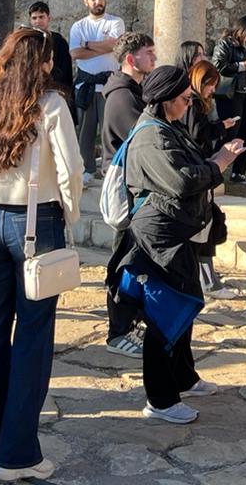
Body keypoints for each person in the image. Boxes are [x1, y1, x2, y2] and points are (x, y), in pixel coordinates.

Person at [0, 28, 83, 482]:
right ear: (41, 63)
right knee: (32, 339)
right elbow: (71, 170)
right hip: (36, 222)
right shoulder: (51, 105)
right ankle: (17, 454)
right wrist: (69, 215)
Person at [122, 65, 244, 425]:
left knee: (183, 309)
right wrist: (221, 162)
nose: (190, 103)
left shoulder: (167, 129)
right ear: (166, 100)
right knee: (165, 314)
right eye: (185, 98)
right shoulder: (150, 137)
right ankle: (160, 398)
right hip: (159, 239)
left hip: (178, 233)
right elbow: (179, 180)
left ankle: (184, 377)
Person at [99, 31, 156, 358]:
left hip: (136, 186)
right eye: (149, 53)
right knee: (122, 262)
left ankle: (131, 323)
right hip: (126, 190)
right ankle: (117, 331)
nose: (154, 58)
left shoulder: (133, 90)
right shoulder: (122, 96)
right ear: (131, 59)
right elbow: (143, 138)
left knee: (135, 260)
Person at [184, 60, 238, 300]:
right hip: (199, 168)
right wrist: (220, 128)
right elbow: (197, 134)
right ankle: (208, 281)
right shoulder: (193, 103)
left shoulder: (193, 102)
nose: (213, 90)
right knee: (207, 223)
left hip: (202, 167)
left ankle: (206, 277)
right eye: (211, 85)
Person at [67, 0, 124, 176]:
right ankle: (87, 169)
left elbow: (116, 46)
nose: (98, 1)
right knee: (85, 131)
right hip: (86, 84)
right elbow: (75, 53)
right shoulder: (79, 26)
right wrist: (104, 45)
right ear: (86, 1)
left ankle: (112, 169)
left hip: (109, 85)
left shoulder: (115, 22)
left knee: (111, 130)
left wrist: (88, 45)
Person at [211, 15, 246, 185]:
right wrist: (243, 66)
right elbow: (218, 65)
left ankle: (238, 173)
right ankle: (213, 169)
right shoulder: (226, 43)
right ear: (240, 30)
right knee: (229, 133)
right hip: (232, 94)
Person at [26, 2, 76, 123]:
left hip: (55, 91)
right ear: (30, 20)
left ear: (48, 18)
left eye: (41, 17)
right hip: (31, 91)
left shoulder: (58, 41)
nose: (38, 21)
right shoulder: (26, 42)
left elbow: (66, 70)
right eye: (34, 18)